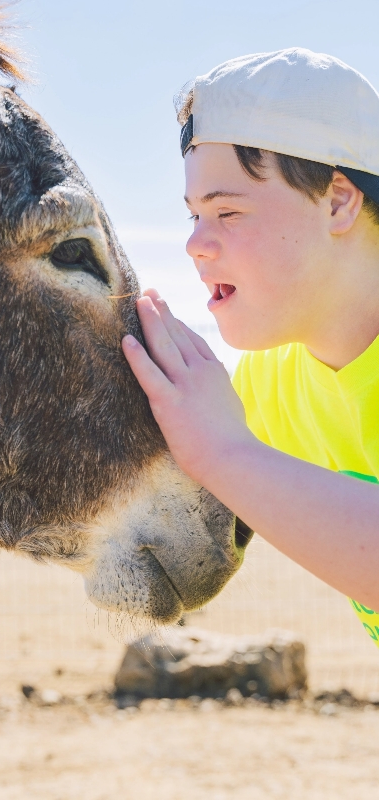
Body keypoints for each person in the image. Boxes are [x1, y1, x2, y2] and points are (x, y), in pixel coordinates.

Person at [122, 48, 379, 646]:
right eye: (192, 216)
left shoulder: (235, 434)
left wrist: (224, 454)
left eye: (228, 211)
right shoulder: (263, 385)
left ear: (338, 201)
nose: (195, 245)